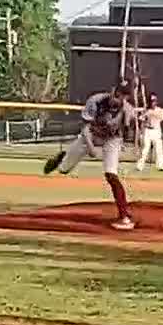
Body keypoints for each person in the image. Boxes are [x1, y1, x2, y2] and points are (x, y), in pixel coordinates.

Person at [42, 83, 138, 230]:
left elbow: (127, 131)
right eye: (117, 94)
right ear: (112, 91)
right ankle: (60, 159)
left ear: (126, 97)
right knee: (64, 169)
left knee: (111, 174)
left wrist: (131, 144)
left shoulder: (127, 110)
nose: (117, 99)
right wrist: (91, 147)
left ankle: (124, 216)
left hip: (112, 139)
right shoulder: (96, 101)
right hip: (91, 136)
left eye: (123, 96)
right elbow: (86, 128)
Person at [134, 92, 163, 172]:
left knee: (159, 149)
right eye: (151, 100)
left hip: (157, 130)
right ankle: (140, 166)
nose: (153, 102)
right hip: (148, 131)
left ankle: (161, 166)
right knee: (145, 149)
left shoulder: (159, 110)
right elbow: (141, 120)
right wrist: (141, 132)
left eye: (154, 100)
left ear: (156, 101)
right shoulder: (146, 110)